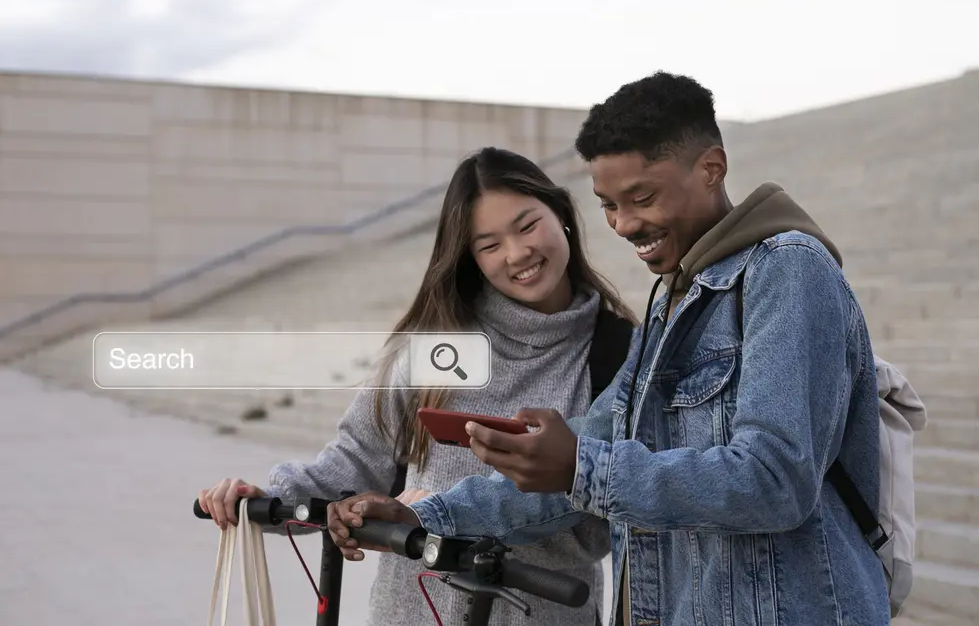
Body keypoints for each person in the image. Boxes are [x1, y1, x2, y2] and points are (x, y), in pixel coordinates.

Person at [328, 72, 892, 626]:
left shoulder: (787, 270)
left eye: (640, 197)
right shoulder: (672, 299)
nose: (624, 224)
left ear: (711, 168)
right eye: (607, 205)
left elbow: (774, 481)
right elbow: (583, 459)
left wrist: (578, 464)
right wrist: (420, 513)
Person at [197, 146, 638, 626]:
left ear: (561, 214)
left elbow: (603, 524)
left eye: (528, 225)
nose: (517, 253)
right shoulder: (436, 346)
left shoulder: (619, 352)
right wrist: (268, 496)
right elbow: (357, 458)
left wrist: (445, 514)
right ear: (471, 258)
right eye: (489, 245)